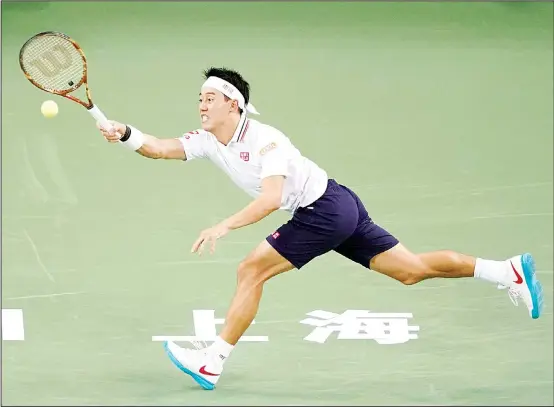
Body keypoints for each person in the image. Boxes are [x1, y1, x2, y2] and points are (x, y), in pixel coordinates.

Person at [97, 67, 544, 390]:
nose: (200, 105)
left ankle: (211, 363)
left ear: (233, 103)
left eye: (208, 98)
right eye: (199, 99)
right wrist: (125, 133)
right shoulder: (209, 141)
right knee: (410, 270)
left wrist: (223, 226)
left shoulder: (264, 139)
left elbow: (272, 198)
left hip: (324, 210)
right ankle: (506, 271)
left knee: (251, 270)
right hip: (339, 204)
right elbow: (160, 148)